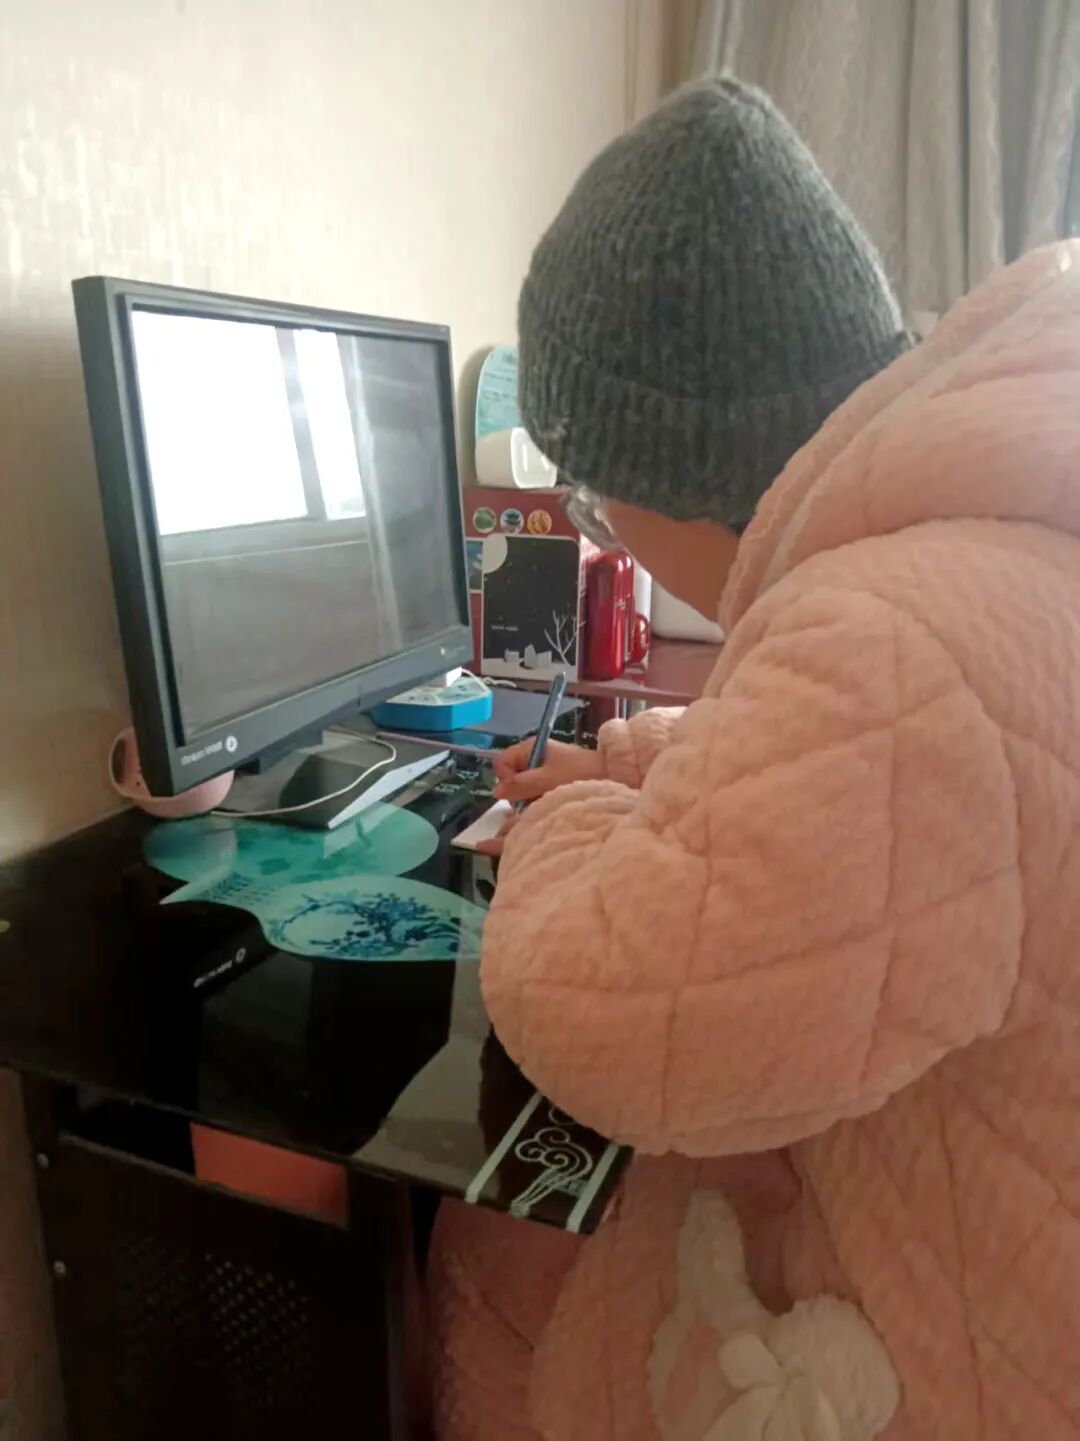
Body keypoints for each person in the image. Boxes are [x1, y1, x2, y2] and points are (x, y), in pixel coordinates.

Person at [429, 77, 1080, 1441]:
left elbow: (606, 1014)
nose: (600, 529)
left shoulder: (886, 641)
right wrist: (645, 761)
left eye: (591, 497)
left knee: (484, 1256)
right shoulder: (988, 534)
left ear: (668, 472)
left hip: (968, 1354)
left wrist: (565, 830)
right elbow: (855, 795)